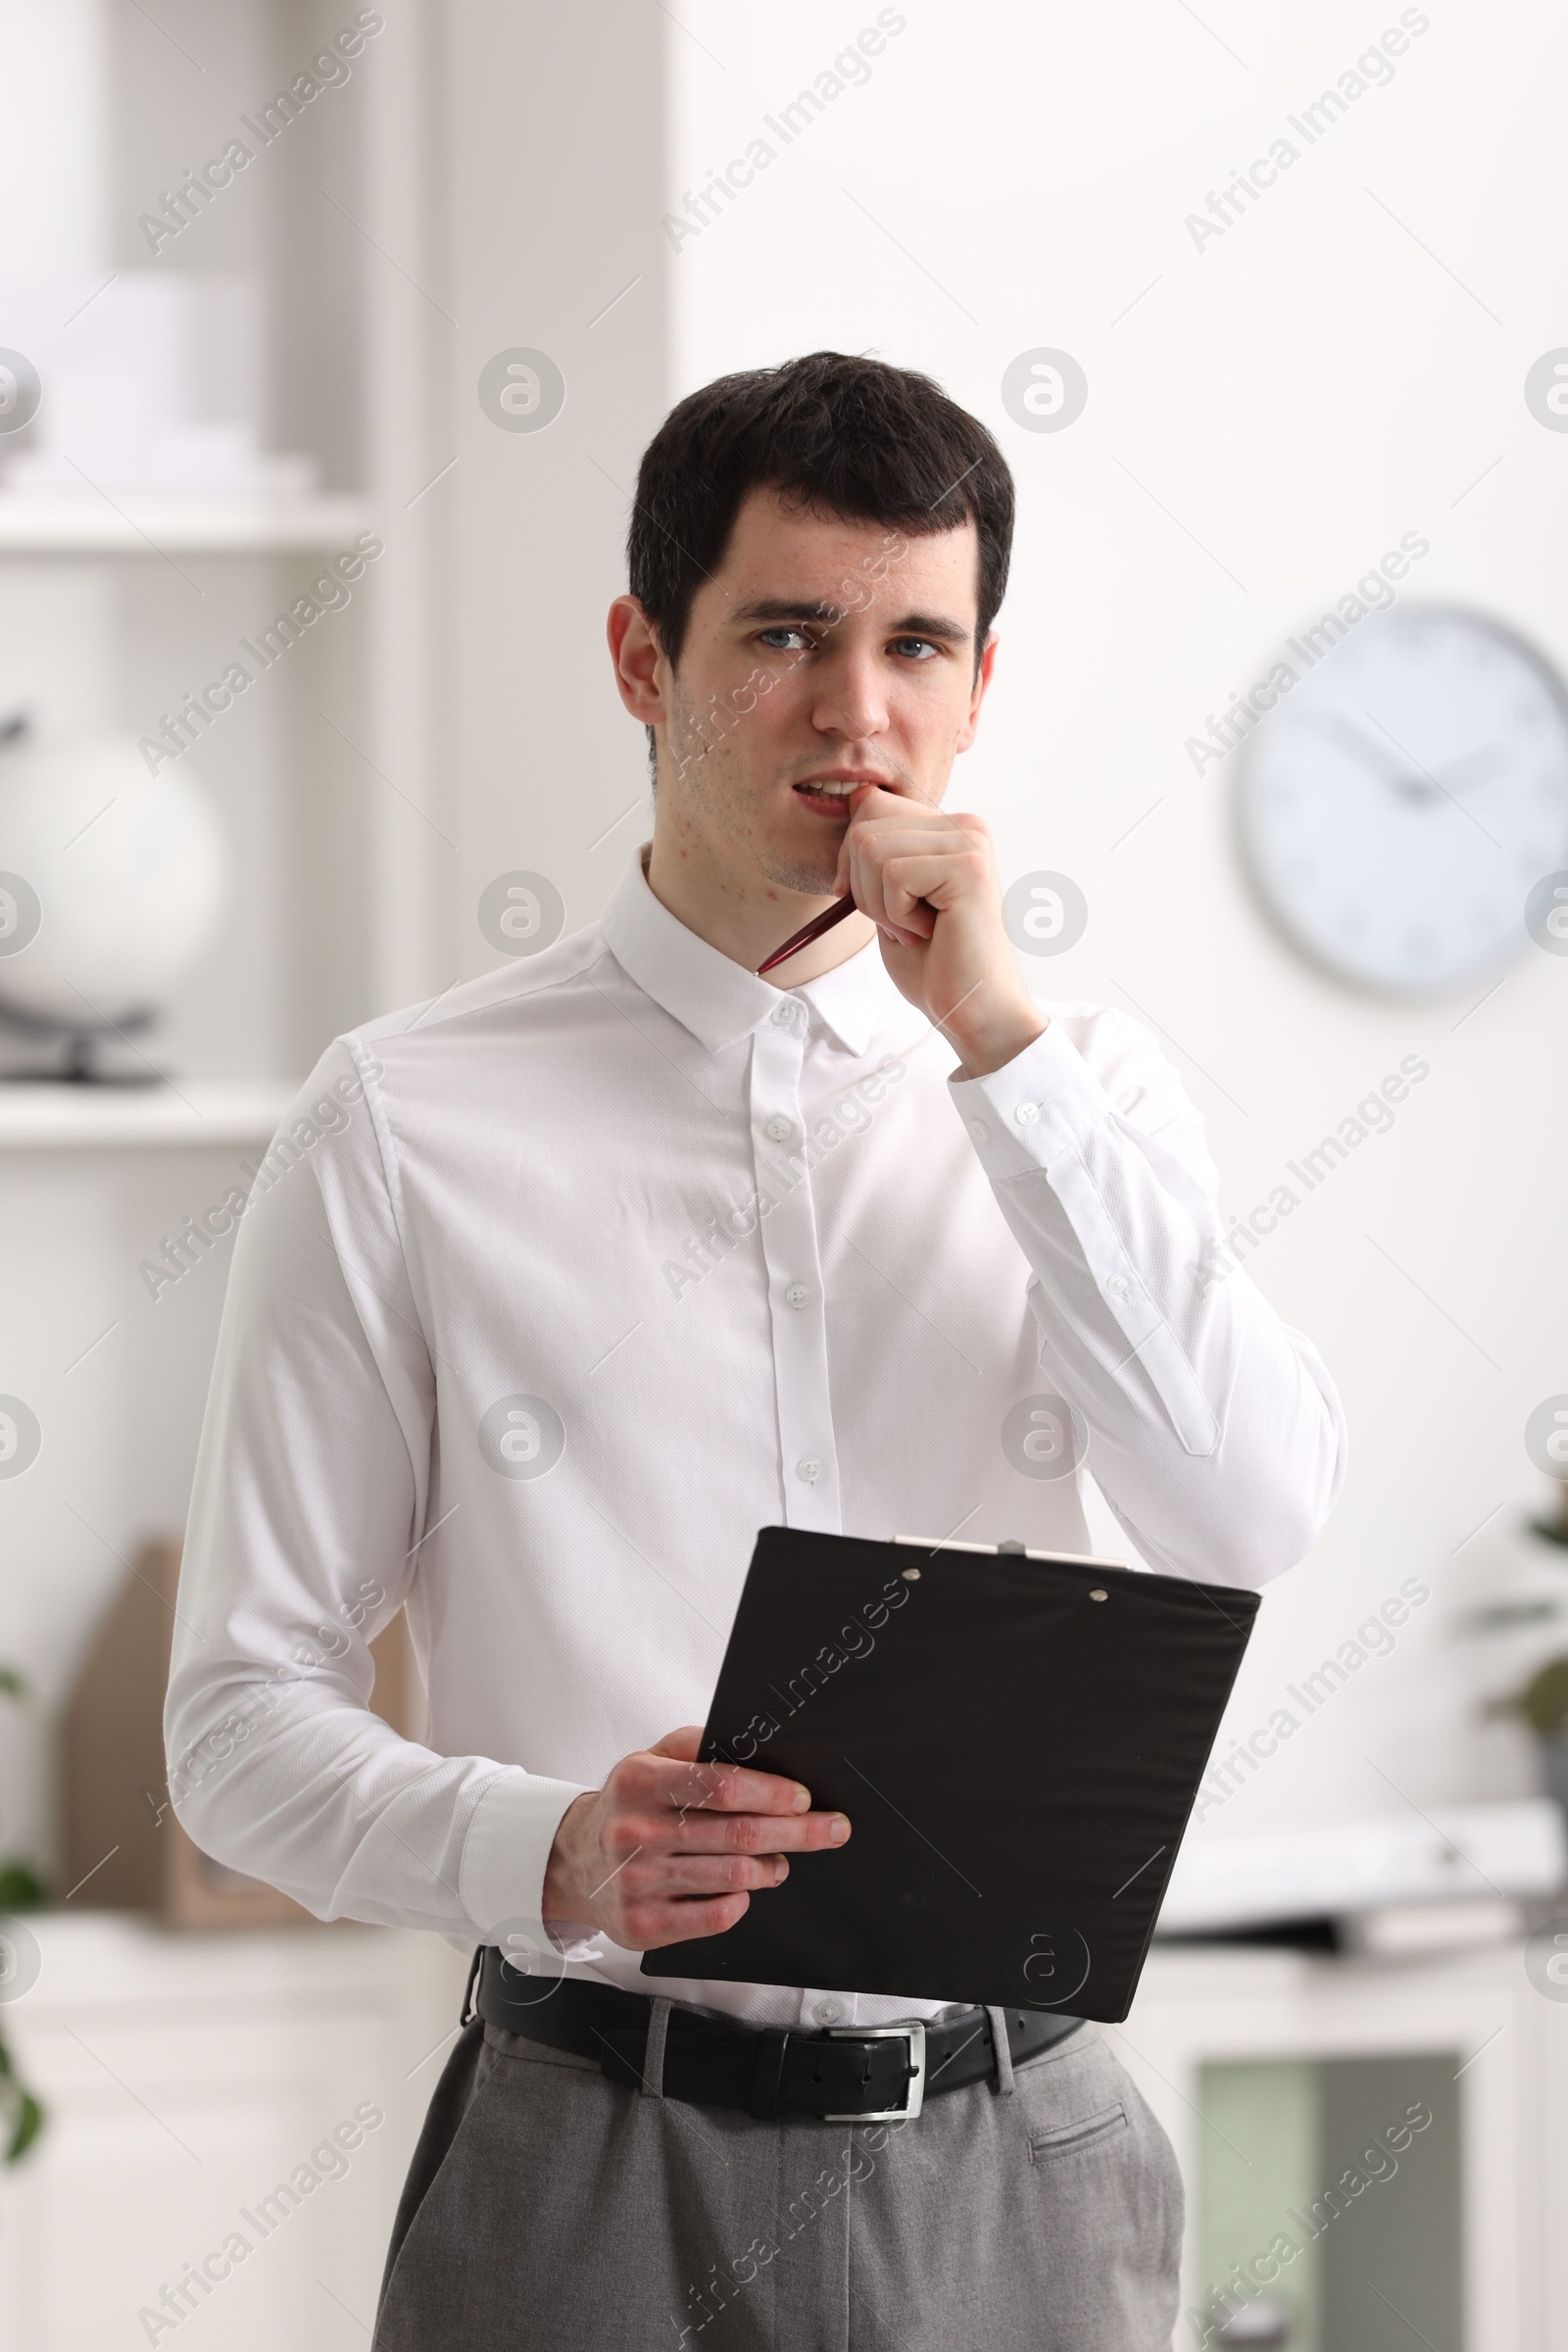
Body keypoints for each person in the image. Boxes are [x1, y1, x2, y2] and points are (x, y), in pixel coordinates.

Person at [165, 351, 1347, 2350]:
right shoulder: (400, 1122)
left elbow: (1245, 1508)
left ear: (980, 684)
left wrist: (995, 1053)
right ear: (642, 656)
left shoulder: (1086, 1093)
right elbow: (232, 1731)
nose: (855, 714)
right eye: (784, 633)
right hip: (590, 2162)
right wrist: (540, 1846)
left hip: (1016, 2154)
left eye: (914, 643)